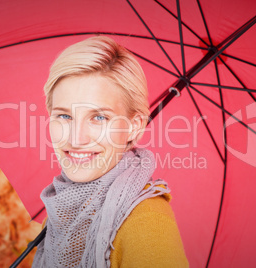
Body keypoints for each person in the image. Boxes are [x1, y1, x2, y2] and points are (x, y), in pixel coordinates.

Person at [32, 36, 188, 268]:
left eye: (99, 117)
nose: (76, 138)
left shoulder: (146, 223)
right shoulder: (59, 213)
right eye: (64, 116)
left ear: (134, 126)